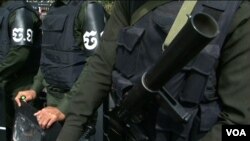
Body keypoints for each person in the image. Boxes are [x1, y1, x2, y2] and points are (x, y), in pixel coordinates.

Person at [57, 1, 250, 141]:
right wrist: (70, 130)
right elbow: (99, 68)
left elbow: (239, 126)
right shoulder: (133, 4)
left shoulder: (238, 11)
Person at [14, 0, 107, 133]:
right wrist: (35, 89)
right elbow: (49, 57)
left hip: (77, 110)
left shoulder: (88, 9)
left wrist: (62, 109)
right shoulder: (54, 9)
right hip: (51, 106)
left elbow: (96, 67)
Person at [0, 0, 41, 139]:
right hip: (7, 82)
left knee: (24, 133)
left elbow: (20, 53)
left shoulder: (20, 11)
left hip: (22, 87)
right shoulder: (5, 9)